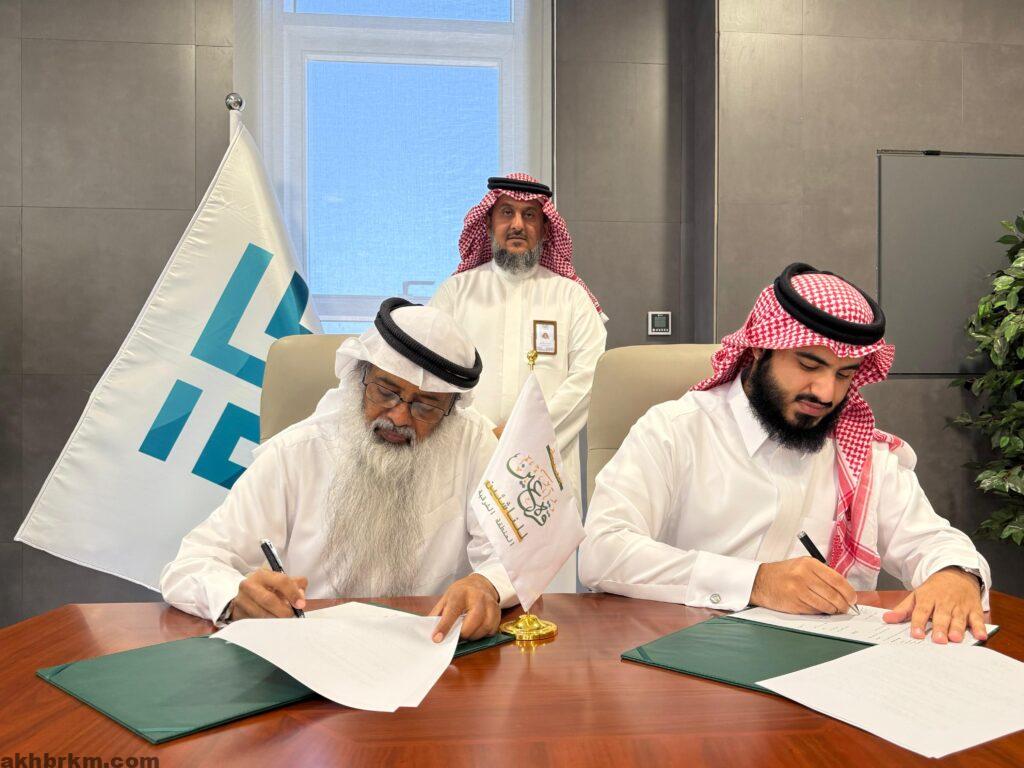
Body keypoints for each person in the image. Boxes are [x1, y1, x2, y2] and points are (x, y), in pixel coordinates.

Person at [579, 263, 992, 644]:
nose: (826, 393)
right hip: (684, 654)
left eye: (844, 374)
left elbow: (931, 540)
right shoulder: (676, 430)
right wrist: (755, 582)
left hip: (823, 667)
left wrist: (955, 575)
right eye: (809, 366)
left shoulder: (862, 452)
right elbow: (603, 551)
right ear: (761, 349)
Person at [160, 299, 516, 641]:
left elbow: (515, 553)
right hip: (308, 652)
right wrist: (235, 596)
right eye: (386, 392)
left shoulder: (473, 444)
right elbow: (191, 564)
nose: (398, 417)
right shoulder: (294, 454)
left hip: (433, 649)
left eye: (425, 406)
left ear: (450, 411)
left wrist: (487, 584)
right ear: (360, 377)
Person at [430, 175, 607, 592]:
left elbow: (589, 379)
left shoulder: (570, 297)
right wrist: (481, 436)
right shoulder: (456, 293)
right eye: (506, 213)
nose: (517, 224)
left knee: (544, 597)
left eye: (530, 215)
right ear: (488, 223)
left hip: (543, 468)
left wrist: (518, 437)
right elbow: (433, 374)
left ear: (545, 229)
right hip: (467, 459)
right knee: (467, 591)